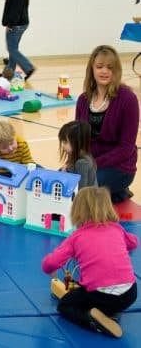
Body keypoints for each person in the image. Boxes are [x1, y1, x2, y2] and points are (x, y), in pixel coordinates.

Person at [42, 187, 138, 338]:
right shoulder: (116, 228)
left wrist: (49, 269)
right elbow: (133, 242)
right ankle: (107, 311)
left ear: (77, 210)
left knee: (65, 305)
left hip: (101, 296)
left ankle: (92, 321)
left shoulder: (77, 237)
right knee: (95, 291)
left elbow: (51, 262)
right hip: (130, 294)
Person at [75, 45, 138, 203]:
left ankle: (117, 188)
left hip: (120, 166)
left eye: (110, 67)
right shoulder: (83, 100)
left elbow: (125, 149)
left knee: (84, 187)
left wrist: (93, 164)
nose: (104, 71)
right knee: (63, 181)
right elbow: (77, 139)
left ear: (116, 71)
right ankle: (115, 193)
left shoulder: (128, 99)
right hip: (90, 163)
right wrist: (71, 163)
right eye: (99, 66)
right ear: (92, 69)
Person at [2, 0, 35, 81]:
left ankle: (28, 68)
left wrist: (10, 24)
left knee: (12, 49)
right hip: (23, 23)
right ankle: (8, 75)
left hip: (16, 25)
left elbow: (15, 11)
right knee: (13, 49)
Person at [58, 120, 97, 189]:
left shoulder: (82, 163)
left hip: (87, 198)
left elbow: (81, 190)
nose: (63, 145)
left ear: (76, 142)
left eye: (65, 142)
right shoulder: (73, 155)